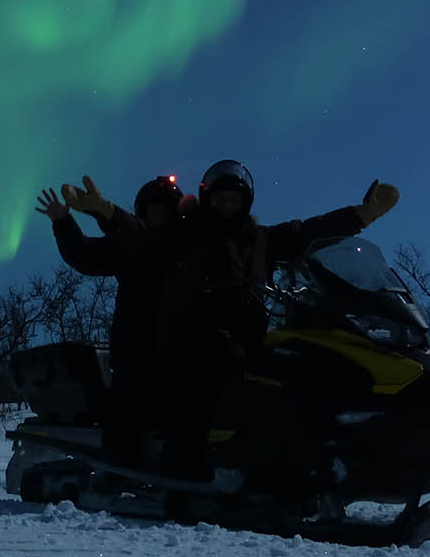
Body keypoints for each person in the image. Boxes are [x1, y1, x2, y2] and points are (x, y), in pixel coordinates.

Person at [62, 160, 399, 482]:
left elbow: (306, 232)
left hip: (247, 338)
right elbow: (145, 237)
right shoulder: (187, 234)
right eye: (220, 198)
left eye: (233, 199)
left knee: (297, 364)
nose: (227, 205)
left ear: (244, 201)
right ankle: (185, 462)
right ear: (208, 199)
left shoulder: (260, 239)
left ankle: (307, 460)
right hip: (191, 340)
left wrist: (361, 215)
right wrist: (106, 212)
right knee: (216, 362)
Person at [38, 174, 184, 465]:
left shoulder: (182, 245)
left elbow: (146, 238)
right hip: (135, 345)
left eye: (164, 210)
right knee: (127, 408)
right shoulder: (128, 245)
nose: (158, 216)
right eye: (152, 210)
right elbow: (85, 255)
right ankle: (119, 470)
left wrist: (105, 212)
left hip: (179, 345)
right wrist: (63, 222)